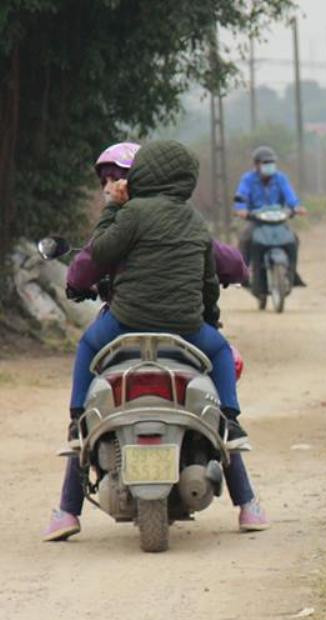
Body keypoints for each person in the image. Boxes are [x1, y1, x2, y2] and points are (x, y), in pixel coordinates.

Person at [43, 140, 269, 541]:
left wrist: (112, 210)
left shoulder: (127, 218)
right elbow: (209, 279)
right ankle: (241, 469)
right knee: (215, 393)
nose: (111, 186)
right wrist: (208, 320)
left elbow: (93, 258)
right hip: (186, 327)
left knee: (87, 353)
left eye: (118, 179)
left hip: (124, 323)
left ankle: (74, 448)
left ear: (141, 178)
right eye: (106, 180)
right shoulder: (192, 220)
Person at [233, 145, 307, 286]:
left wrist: (296, 207)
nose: (269, 166)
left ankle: (292, 272)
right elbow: (241, 195)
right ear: (256, 165)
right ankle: (243, 273)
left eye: (271, 162)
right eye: (265, 163)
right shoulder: (248, 179)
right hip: (257, 220)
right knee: (245, 238)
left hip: (278, 220)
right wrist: (241, 209)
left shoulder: (280, 178)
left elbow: (290, 195)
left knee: (294, 239)